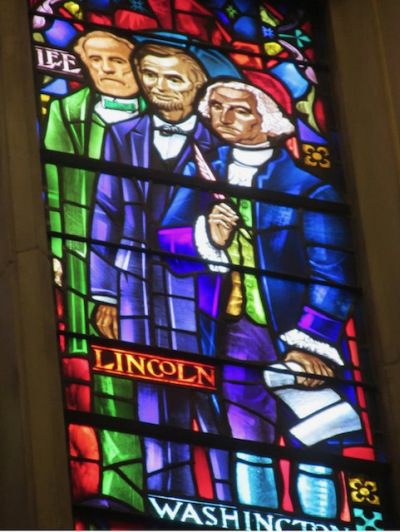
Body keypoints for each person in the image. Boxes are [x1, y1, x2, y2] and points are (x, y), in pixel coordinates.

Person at [160, 80, 359, 516]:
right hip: (231, 332)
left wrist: (310, 342)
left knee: (314, 439)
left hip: (296, 333)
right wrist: (207, 238)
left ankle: (318, 525)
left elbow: (333, 271)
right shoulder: (199, 173)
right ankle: (260, 521)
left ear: (267, 121)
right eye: (215, 108)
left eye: (239, 110)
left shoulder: (309, 188)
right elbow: (166, 242)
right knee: (246, 438)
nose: (224, 118)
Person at [44, 30, 143, 355]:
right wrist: (57, 248)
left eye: (117, 61)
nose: (106, 69)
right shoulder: (69, 112)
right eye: (95, 61)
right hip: (83, 245)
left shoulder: (164, 115)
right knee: (95, 347)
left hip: (149, 253)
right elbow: (54, 185)